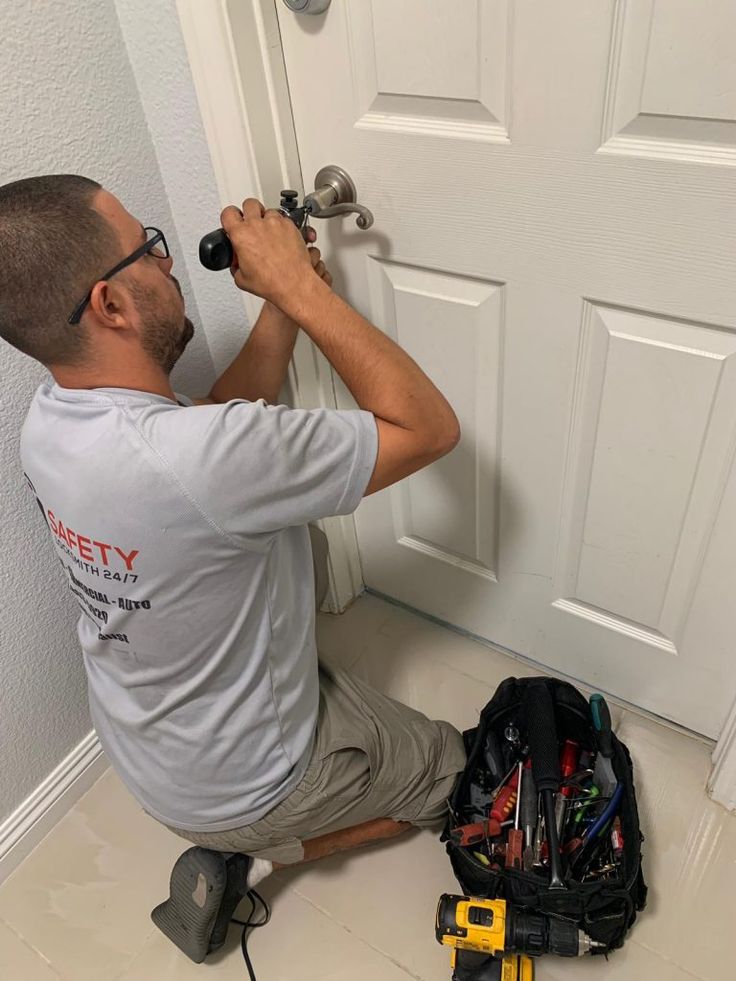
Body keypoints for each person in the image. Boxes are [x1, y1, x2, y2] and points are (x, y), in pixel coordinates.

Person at [1, 174, 466, 960]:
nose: (169, 259)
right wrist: (300, 289)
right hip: (244, 783)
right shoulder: (205, 460)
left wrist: (282, 306)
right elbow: (427, 427)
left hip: (146, 747)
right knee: (450, 768)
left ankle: (246, 827)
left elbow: (206, 436)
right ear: (111, 305)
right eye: (149, 248)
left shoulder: (51, 424)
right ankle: (263, 850)